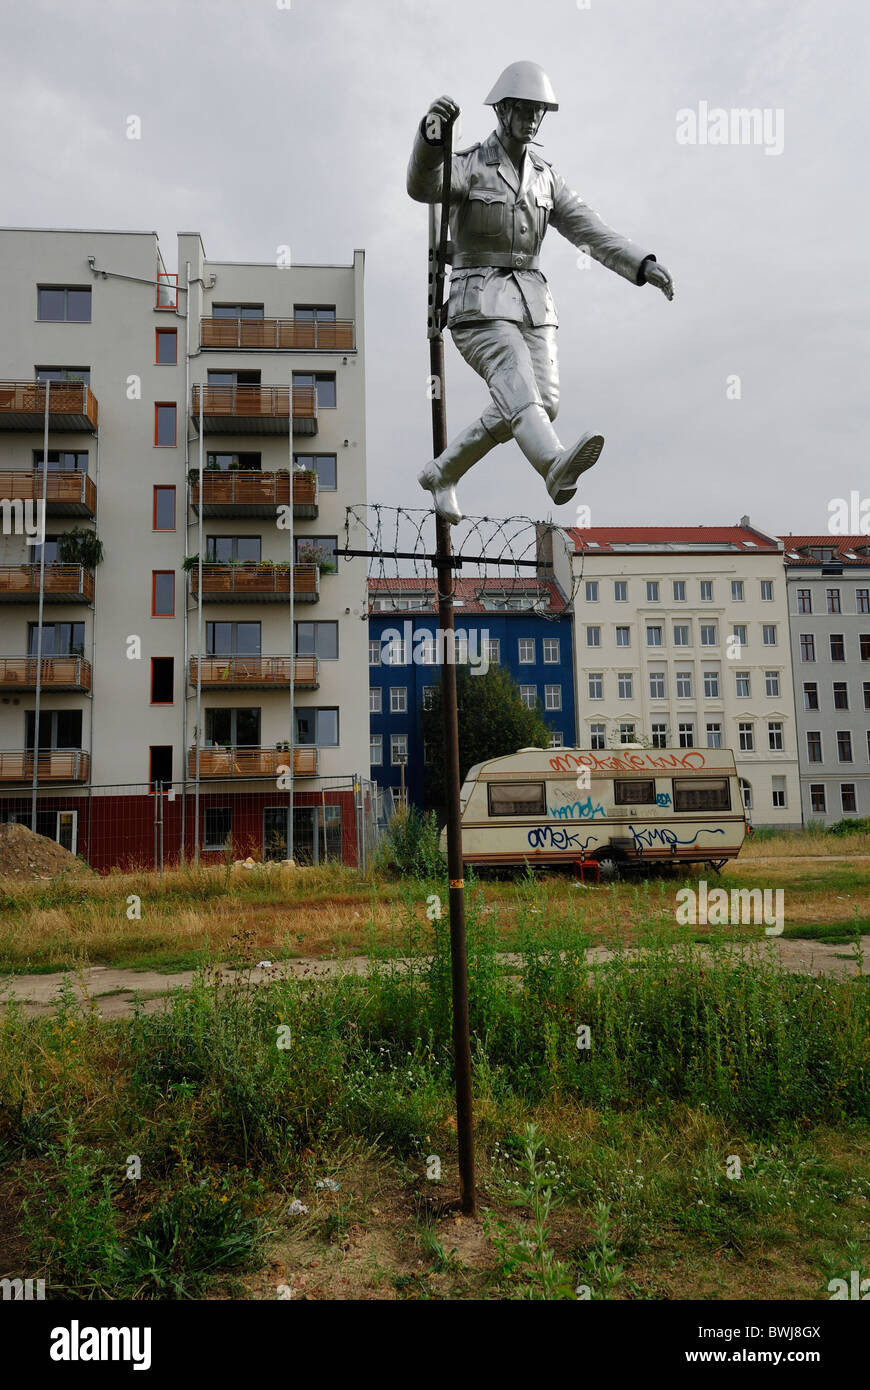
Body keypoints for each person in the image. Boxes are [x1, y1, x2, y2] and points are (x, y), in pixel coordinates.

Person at [407, 61, 674, 524]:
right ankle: (552, 465)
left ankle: (444, 472)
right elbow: (423, 187)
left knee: (541, 403)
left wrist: (641, 263)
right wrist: (431, 141)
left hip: (532, 302)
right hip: (479, 299)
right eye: (525, 108)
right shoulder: (468, 165)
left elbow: (589, 228)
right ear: (504, 110)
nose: (532, 118)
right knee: (517, 384)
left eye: (539, 110)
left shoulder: (545, 177)